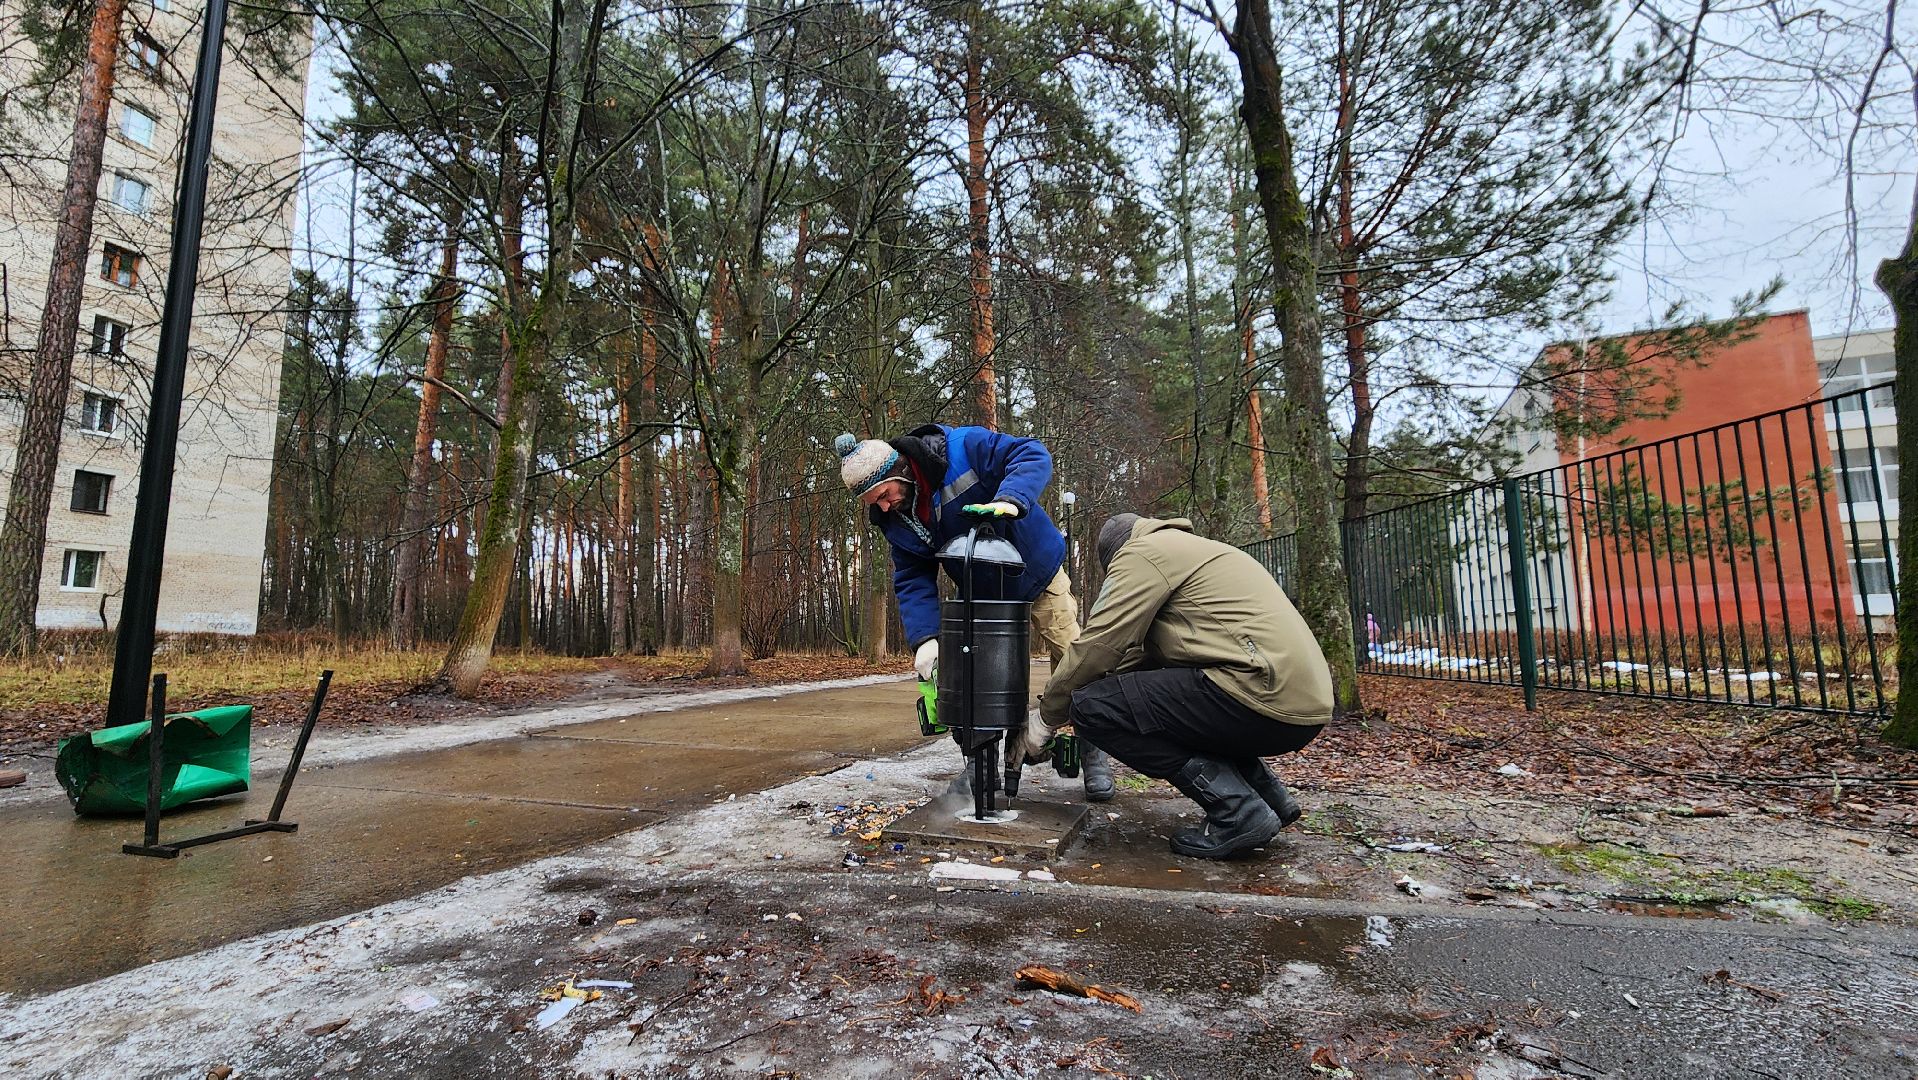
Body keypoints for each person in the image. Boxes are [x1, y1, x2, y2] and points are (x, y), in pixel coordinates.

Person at [1018, 514, 1333, 858]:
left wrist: (1045, 719)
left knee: (1092, 709)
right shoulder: (1196, 550)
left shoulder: (1142, 554)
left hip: (1260, 693)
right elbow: (1133, 668)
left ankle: (1239, 810)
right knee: (1170, 707)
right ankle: (1269, 795)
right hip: (1301, 707)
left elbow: (1097, 647)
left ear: (1115, 557)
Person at [835, 425, 1116, 801]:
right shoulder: (894, 519)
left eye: (884, 495)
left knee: (1075, 657)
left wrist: (1012, 497)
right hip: (981, 593)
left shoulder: (962, 449)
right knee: (970, 678)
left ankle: (1093, 749)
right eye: (874, 503)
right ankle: (978, 765)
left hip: (1036, 568)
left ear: (899, 468)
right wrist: (925, 638)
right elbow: (911, 575)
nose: (883, 506)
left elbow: (1032, 453)